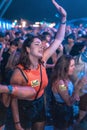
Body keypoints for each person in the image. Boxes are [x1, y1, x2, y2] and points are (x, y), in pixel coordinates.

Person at [0, 0, 67, 130]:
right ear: (28, 49)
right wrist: (17, 124)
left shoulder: (43, 60)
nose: (41, 46)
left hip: (41, 103)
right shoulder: (19, 73)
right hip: (25, 107)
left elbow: (58, 39)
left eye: (41, 44)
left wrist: (64, 18)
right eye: (37, 44)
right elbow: (13, 100)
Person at [51, 55, 87, 130]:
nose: (74, 68)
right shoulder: (60, 83)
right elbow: (69, 102)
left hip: (67, 110)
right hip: (62, 112)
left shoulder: (66, 77)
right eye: (72, 66)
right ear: (64, 67)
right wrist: (78, 87)